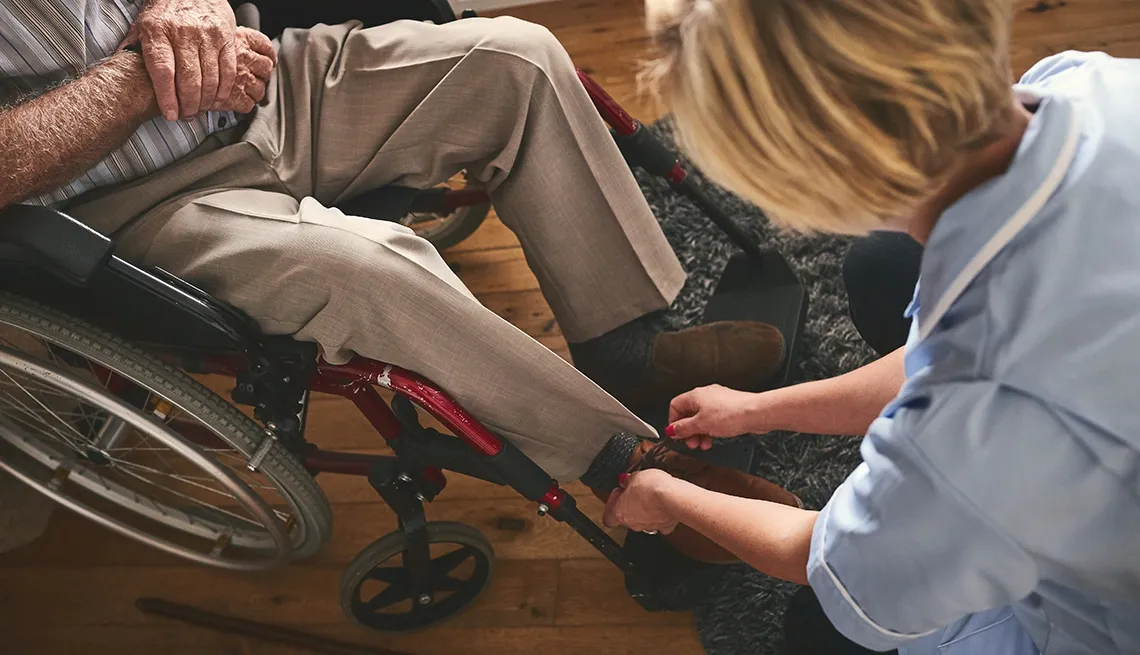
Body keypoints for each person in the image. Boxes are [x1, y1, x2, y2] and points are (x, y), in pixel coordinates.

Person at [0, 0, 801, 561]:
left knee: (517, 58)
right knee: (371, 268)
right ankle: (634, 472)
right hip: (126, 206)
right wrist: (143, 76)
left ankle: (623, 341)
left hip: (260, 88)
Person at [601, 0, 1140, 653]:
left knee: (818, 628)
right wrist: (758, 410)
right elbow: (950, 351)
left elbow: (819, 556)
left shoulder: (971, 435)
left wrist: (669, 497)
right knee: (885, 267)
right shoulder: (1093, 83)